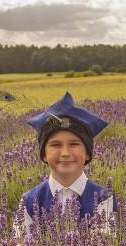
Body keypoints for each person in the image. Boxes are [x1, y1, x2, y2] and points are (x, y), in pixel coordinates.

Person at [19, 92, 115, 236]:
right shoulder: (30, 200)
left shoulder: (103, 198)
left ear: (88, 153)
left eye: (74, 144)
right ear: (44, 155)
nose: (65, 153)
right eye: (56, 145)